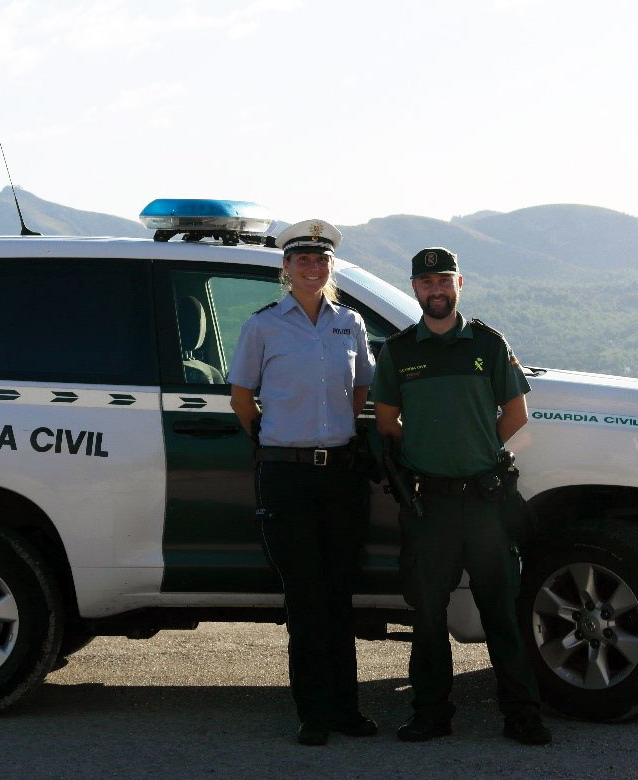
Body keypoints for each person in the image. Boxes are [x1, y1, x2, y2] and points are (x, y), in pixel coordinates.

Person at [372, 247, 552, 745]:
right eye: (426, 282)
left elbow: (515, 416)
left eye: (444, 280)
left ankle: (522, 717)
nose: (436, 290)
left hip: (487, 502)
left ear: (459, 285)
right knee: (428, 615)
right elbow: (387, 422)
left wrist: (475, 449)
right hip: (429, 506)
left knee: (502, 613)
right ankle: (431, 714)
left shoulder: (489, 344)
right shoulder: (400, 351)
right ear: (414, 289)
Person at [227, 219, 376, 746]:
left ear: (330, 267)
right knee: (306, 598)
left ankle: (347, 711)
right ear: (285, 268)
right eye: (303, 260)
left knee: (340, 596)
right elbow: (243, 396)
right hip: (286, 476)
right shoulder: (264, 325)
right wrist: (275, 443)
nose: (314, 267)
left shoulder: (349, 323)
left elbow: (360, 392)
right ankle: (314, 714)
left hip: (339, 473)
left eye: (322, 260)